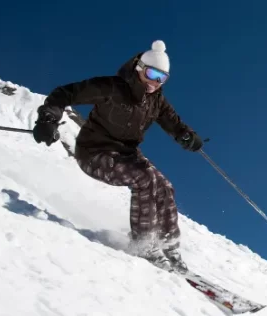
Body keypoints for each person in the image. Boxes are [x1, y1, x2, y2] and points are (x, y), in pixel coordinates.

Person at [32, 40, 203, 273]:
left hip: (126, 155)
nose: (155, 82)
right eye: (152, 73)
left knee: (164, 187)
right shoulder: (112, 87)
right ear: (139, 68)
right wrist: (48, 119)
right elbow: (65, 93)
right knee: (144, 179)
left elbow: (174, 124)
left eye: (162, 78)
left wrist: (187, 137)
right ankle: (144, 245)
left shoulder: (157, 101)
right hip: (94, 152)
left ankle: (170, 247)